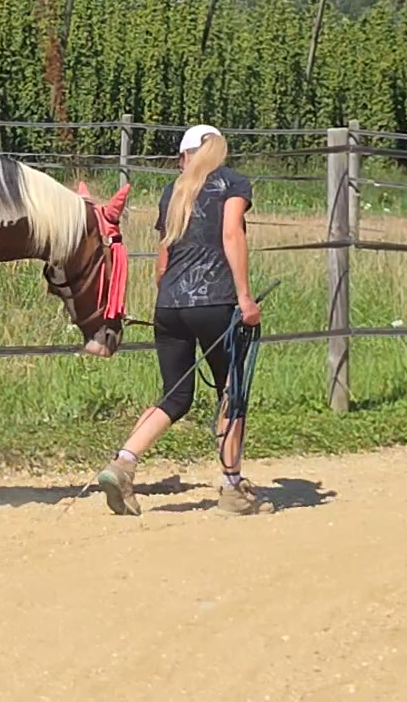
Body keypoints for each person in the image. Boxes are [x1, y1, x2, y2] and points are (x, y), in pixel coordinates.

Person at [95, 123, 271, 517]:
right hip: (217, 304)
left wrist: (170, 299)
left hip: (169, 305)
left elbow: (163, 258)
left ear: (185, 156)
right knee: (232, 392)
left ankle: (123, 462)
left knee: (175, 396)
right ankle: (231, 489)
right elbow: (231, 236)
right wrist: (244, 297)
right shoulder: (234, 183)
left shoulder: (171, 192)